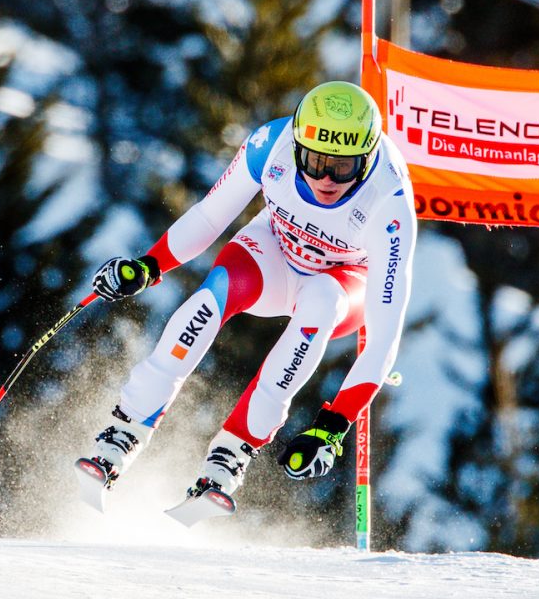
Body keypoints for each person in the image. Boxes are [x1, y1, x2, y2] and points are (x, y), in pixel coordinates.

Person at [82, 80, 416, 508]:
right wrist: (150, 266)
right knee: (214, 292)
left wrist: (334, 426)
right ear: (298, 148)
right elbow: (209, 216)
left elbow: (385, 337)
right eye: (314, 162)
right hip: (274, 251)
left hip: (343, 279)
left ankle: (231, 454)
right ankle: (124, 431)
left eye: (343, 168)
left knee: (320, 305)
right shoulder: (271, 144)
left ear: (368, 159)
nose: (326, 179)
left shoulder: (390, 202)